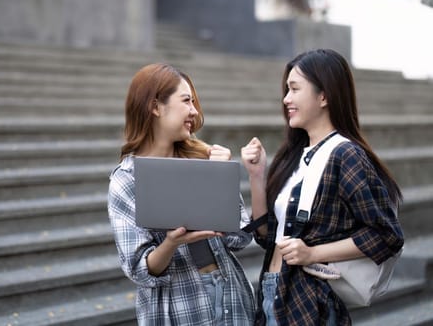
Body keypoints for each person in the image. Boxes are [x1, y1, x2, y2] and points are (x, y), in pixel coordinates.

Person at [240, 49, 404, 325]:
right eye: (286, 90)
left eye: (294, 89)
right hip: (272, 293)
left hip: (309, 304)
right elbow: (268, 238)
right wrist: (257, 176)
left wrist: (313, 253)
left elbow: (386, 235)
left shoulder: (345, 155)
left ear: (324, 96)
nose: (286, 99)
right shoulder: (295, 155)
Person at [107, 63, 256, 325]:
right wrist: (171, 242)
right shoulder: (127, 179)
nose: (194, 111)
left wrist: (219, 179)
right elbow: (139, 269)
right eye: (186, 101)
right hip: (179, 309)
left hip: (231, 298)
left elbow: (240, 237)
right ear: (155, 107)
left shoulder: (206, 160)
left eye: (194, 102)